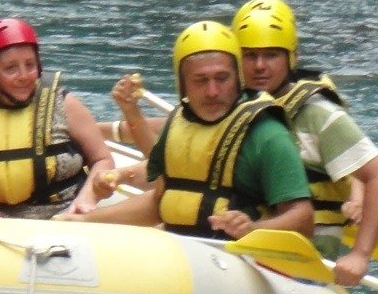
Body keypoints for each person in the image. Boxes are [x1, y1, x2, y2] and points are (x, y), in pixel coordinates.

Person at [59, 21, 314, 240]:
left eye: (222, 78)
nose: (213, 91)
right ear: (182, 85)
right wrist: (89, 221)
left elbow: (303, 219)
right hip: (184, 252)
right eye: (201, 81)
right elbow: (162, 201)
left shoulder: (266, 134)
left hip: (237, 258)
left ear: (238, 78)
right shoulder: (179, 123)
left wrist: (253, 229)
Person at [231, 0, 378, 286]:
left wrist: (360, 254)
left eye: (271, 55)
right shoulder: (234, 107)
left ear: (291, 58)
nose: (259, 66)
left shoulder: (319, 114)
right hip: (244, 249)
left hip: (306, 260)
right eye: (249, 55)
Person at [0, 18, 114, 218]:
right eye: (11, 68)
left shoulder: (62, 103)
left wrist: (86, 199)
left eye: (30, 65)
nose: (24, 76)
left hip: (63, 215)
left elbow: (102, 158)